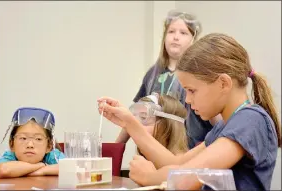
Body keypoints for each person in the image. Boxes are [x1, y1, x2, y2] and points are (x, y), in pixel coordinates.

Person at [98, 33, 281, 190]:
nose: (186, 99)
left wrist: (151, 177)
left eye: (192, 90)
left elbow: (187, 177)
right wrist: (129, 123)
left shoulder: (251, 120)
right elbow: (177, 164)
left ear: (223, 83)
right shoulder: (226, 126)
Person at [116, 10, 218, 149]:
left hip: (188, 154)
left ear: (194, 40)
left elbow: (217, 119)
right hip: (153, 153)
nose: (176, 37)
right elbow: (137, 115)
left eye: (183, 33)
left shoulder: (200, 75)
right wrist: (116, 147)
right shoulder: (152, 74)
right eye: (171, 32)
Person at [0, 107, 65, 178]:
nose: (30, 145)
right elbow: (2, 170)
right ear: (12, 144)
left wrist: (41, 171)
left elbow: (71, 168)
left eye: (38, 139)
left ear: (49, 146)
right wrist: (40, 165)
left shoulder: (53, 156)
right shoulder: (10, 156)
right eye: (23, 138)